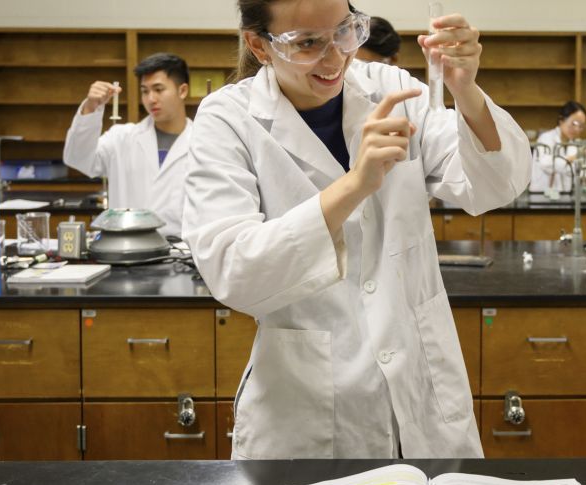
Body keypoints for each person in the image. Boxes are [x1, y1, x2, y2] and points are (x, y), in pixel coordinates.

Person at [183, 0, 531, 459]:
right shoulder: (227, 119)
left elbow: (496, 184)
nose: (336, 59)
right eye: (308, 43)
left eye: (345, 32)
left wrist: (465, 90)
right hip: (306, 417)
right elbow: (234, 271)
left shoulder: (391, 88)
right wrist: (353, 185)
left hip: (422, 396)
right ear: (259, 45)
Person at [63, 53, 192, 238]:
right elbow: (77, 158)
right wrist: (90, 109)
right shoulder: (121, 138)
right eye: (145, 91)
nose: (150, 99)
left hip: (182, 253)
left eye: (158, 89)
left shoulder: (201, 142)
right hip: (126, 247)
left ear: (182, 91)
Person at [530, 101, 586, 194]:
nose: (577, 129)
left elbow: (574, 171)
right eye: (574, 124)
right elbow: (546, 164)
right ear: (561, 120)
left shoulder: (574, 145)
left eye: (581, 126)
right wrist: (570, 159)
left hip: (564, 197)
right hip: (541, 197)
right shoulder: (546, 138)